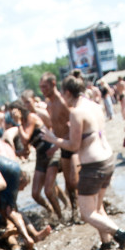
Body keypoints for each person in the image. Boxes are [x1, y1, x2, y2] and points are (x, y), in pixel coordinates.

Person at [41, 75, 125, 250]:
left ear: (67, 92)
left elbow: (73, 146)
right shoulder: (95, 106)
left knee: (87, 213)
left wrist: (53, 139)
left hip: (93, 166)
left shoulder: (76, 112)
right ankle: (106, 244)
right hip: (107, 159)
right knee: (98, 209)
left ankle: (119, 234)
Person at [39, 72, 80, 222]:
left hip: (74, 145)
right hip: (63, 146)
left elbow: (75, 124)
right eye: (41, 87)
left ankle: (93, 205)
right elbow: (57, 128)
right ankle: (76, 212)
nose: (42, 90)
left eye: (45, 87)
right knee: (69, 184)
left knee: (75, 180)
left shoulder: (63, 102)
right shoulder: (49, 105)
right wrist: (56, 145)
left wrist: (63, 141)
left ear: (53, 84)